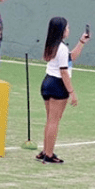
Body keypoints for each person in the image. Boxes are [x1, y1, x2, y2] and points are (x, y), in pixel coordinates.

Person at [37, 16, 89, 164]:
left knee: (50, 120)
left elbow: (70, 57)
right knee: (54, 121)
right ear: (61, 30)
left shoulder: (53, 45)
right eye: (67, 28)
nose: (68, 30)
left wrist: (81, 43)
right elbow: (64, 72)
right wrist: (72, 92)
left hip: (47, 82)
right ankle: (49, 154)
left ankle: (45, 151)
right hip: (57, 85)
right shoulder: (61, 48)